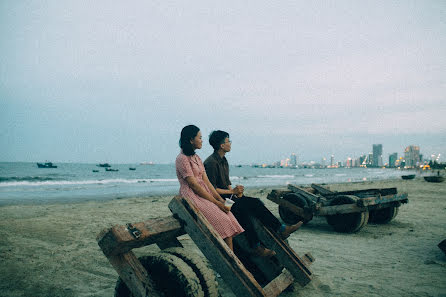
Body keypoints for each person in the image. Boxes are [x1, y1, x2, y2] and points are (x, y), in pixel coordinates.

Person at [204, 130, 302, 256]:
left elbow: (227, 183)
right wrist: (231, 191)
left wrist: (236, 192)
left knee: (255, 202)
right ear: (221, 145)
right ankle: (255, 246)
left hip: (228, 198)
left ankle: (282, 229)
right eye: (228, 141)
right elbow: (211, 189)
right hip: (219, 202)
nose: (230, 144)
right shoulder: (211, 163)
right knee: (242, 210)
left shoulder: (224, 160)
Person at [175, 125, 244, 251]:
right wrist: (217, 203)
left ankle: (232, 257)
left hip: (204, 193)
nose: (202, 140)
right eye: (199, 138)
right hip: (192, 196)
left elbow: (206, 182)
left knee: (229, 217)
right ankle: (231, 260)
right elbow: (194, 185)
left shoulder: (196, 157)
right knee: (223, 220)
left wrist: (220, 199)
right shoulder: (182, 159)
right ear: (191, 140)